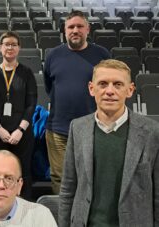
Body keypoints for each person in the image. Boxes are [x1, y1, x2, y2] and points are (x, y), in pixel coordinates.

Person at [58, 59, 159, 227]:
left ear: (130, 90)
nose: (109, 91)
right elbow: (68, 188)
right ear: (92, 88)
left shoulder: (152, 132)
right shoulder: (77, 128)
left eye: (118, 84)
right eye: (103, 84)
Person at [43, 10, 111, 194]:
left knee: (92, 177)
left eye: (80, 26)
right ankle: (65, 218)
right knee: (61, 178)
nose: (75, 30)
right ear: (64, 30)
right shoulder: (53, 55)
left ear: (87, 29)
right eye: (71, 27)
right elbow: (49, 86)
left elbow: (109, 87)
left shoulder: (102, 54)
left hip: (94, 129)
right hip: (58, 129)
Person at [0, 31, 37, 200]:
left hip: (22, 134)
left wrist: (20, 130)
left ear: (19, 48)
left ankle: (23, 210)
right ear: (0, 48)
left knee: (22, 173)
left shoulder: (27, 73)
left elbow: (31, 104)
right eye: (6, 44)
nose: (10, 47)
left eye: (14, 44)